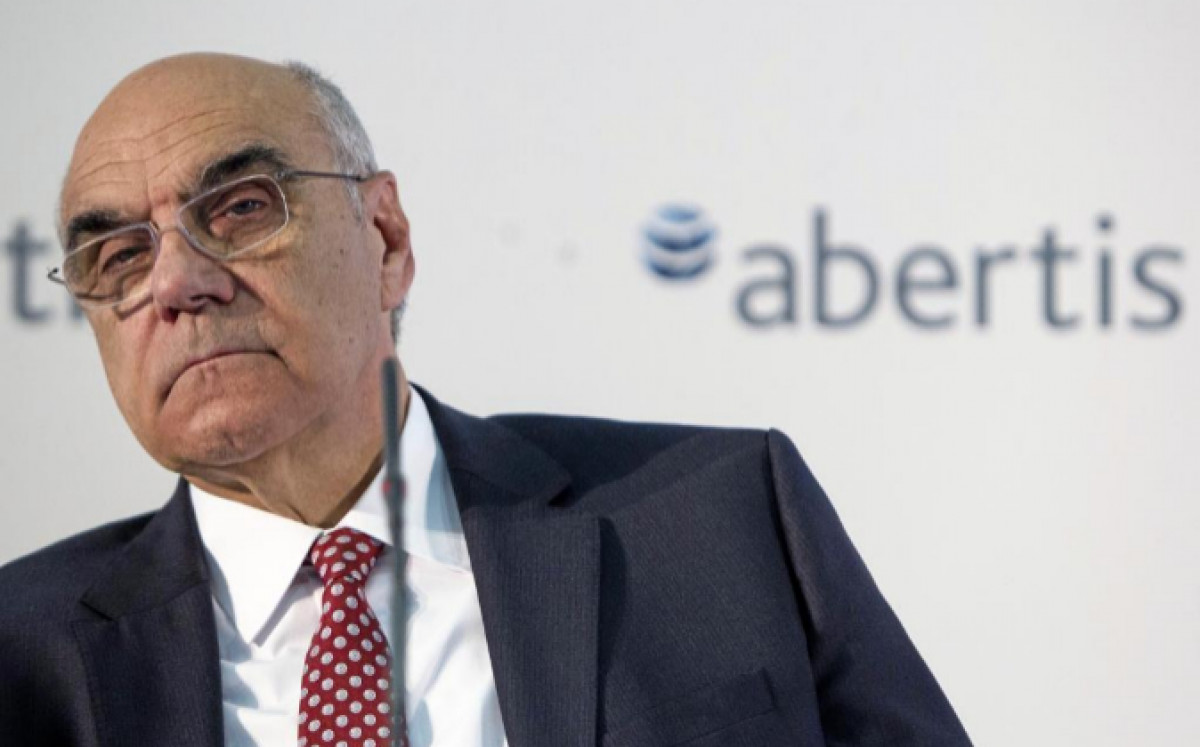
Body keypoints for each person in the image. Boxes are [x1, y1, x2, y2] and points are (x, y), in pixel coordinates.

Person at [0, 53, 973, 747]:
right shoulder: (22, 654)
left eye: (243, 207)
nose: (176, 282)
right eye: (117, 256)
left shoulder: (717, 516)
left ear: (385, 238)